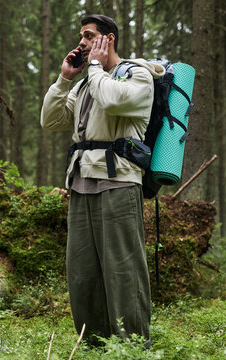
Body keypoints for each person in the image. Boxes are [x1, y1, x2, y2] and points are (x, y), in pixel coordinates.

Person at [40, 14, 165, 346]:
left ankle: (133, 345)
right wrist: (65, 79)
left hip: (120, 181)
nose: (81, 42)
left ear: (108, 39)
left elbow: (113, 100)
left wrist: (94, 67)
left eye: (89, 35)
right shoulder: (84, 83)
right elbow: (50, 120)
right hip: (81, 181)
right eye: (80, 35)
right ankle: (95, 343)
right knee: (82, 271)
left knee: (124, 268)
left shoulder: (137, 74)